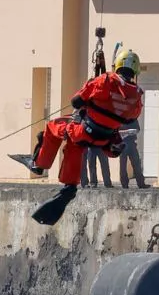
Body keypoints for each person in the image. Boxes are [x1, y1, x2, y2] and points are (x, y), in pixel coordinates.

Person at [15, 48, 144, 225]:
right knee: (75, 147)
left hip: (84, 131)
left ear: (118, 65)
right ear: (135, 71)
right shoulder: (136, 96)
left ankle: (40, 165)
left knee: (54, 127)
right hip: (105, 138)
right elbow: (130, 119)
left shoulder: (105, 80)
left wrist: (92, 91)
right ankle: (70, 186)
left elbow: (76, 101)